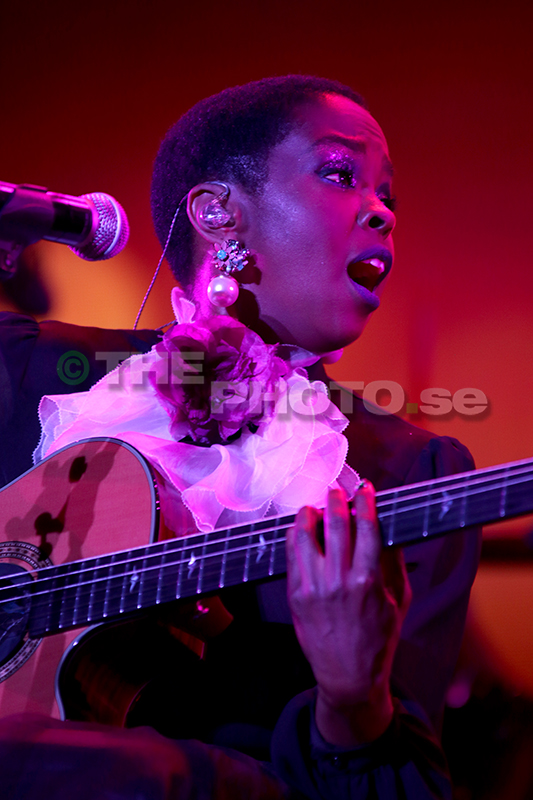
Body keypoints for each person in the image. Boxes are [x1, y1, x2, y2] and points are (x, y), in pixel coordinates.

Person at [0, 76, 480, 799]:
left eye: (388, 196)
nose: (381, 211)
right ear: (217, 212)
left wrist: (354, 702)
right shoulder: (31, 373)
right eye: (340, 173)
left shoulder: (411, 473)